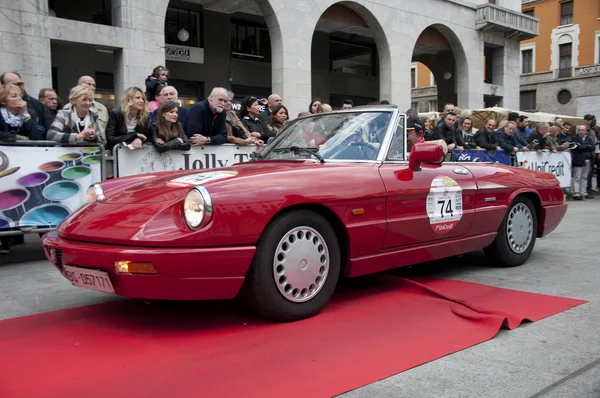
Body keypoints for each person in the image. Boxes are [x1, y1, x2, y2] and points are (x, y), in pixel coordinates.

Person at [0, 72, 53, 138]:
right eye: (14, 96)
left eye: (20, 84)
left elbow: (37, 137)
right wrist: (17, 137)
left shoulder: (34, 108)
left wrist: (25, 115)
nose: (19, 98)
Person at [62, 76, 109, 141]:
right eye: (89, 84)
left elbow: (103, 133)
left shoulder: (102, 108)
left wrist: (92, 136)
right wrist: (77, 137)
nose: (92, 87)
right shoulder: (67, 108)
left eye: (94, 85)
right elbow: (54, 134)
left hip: (95, 148)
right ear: (79, 85)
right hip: (71, 148)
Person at [105, 86, 151, 151]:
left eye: (143, 98)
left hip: (137, 153)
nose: (141, 101)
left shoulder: (145, 116)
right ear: (128, 99)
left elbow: (147, 136)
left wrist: (139, 139)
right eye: (137, 98)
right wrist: (134, 135)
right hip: (118, 152)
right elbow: (110, 139)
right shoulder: (116, 113)